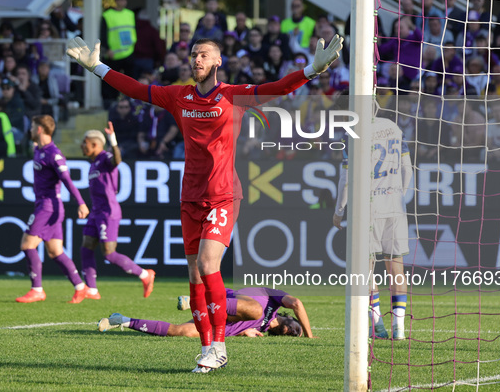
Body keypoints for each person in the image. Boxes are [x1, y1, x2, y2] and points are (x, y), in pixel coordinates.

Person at [67, 31, 342, 372]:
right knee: (195, 276)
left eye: (203, 55)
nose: (196, 59)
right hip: (190, 197)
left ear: (217, 62)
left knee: (210, 266)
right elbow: (136, 90)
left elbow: (278, 87)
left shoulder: (234, 95)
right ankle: (206, 348)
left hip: (224, 195)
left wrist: (311, 71)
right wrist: (97, 68)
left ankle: (220, 346)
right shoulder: (178, 96)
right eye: (194, 54)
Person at [333, 117, 413, 340]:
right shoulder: (392, 127)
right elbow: (408, 169)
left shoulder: (352, 133)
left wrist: (339, 211)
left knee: (366, 269)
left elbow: (346, 178)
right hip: (395, 206)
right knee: (396, 267)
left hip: (368, 208)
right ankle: (399, 327)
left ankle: (378, 325)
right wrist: (399, 197)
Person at [16, 115, 90, 304]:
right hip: (45, 205)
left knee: (27, 244)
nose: (30, 130)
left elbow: (67, 181)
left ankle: (37, 289)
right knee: (55, 251)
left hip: (48, 207)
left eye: (33, 126)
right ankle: (80, 287)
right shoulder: (38, 149)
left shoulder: (53, 154)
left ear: (40, 129)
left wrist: (81, 202)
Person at [80, 122, 156, 299]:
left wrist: (112, 140)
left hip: (108, 212)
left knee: (109, 253)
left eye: (85, 143)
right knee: (86, 247)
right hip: (96, 212)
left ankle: (145, 275)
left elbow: (117, 160)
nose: (82, 146)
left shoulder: (106, 158)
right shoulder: (92, 164)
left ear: (95, 144)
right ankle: (92, 290)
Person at [97, 287, 314, 339]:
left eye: (293, 334)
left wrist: (244, 332)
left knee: (181, 331)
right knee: (256, 310)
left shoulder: (259, 330)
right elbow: (297, 302)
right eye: (296, 328)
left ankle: (122, 320)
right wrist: (309, 335)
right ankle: (195, 301)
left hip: (222, 322)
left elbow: (242, 326)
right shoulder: (272, 299)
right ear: (290, 316)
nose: (293, 332)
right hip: (223, 301)